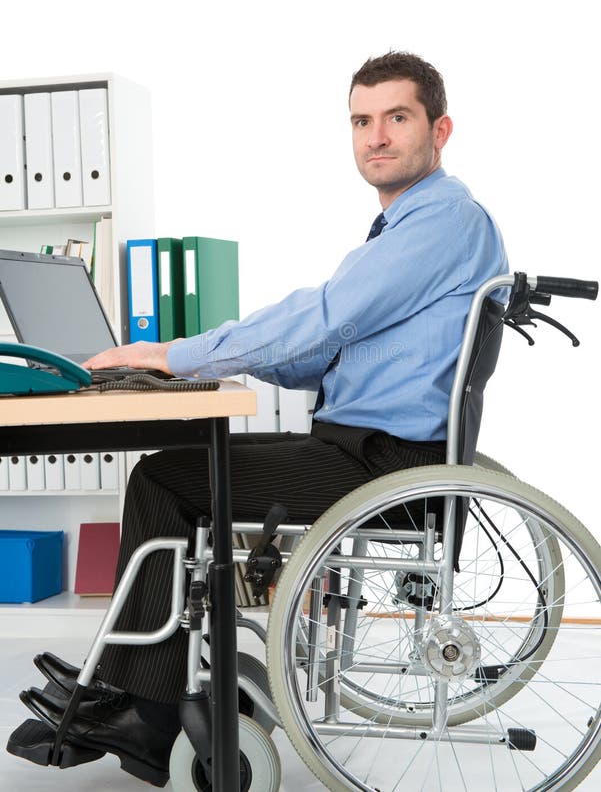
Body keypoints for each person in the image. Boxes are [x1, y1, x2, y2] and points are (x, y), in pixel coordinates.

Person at [12, 51, 508, 784]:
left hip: (383, 467)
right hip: (366, 449)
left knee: (164, 480)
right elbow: (324, 349)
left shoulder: (442, 221)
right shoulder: (410, 228)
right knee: (183, 467)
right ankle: (138, 681)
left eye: (395, 118)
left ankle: (141, 710)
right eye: (361, 120)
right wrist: (215, 357)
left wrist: (178, 353)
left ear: (439, 128)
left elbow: (325, 316)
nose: (375, 137)